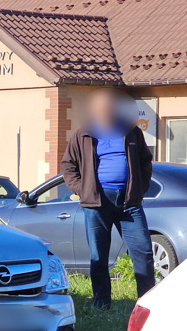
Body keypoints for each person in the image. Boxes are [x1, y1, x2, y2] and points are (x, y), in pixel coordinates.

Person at [60, 88, 155, 309]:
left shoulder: (131, 131)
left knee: (143, 252)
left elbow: (145, 162)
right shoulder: (83, 133)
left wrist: (139, 190)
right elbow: (68, 166)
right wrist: (82, 190)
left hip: (129, 203)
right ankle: (101, 303)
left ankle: (147, 304)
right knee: (98, 257)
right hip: (97, 203)